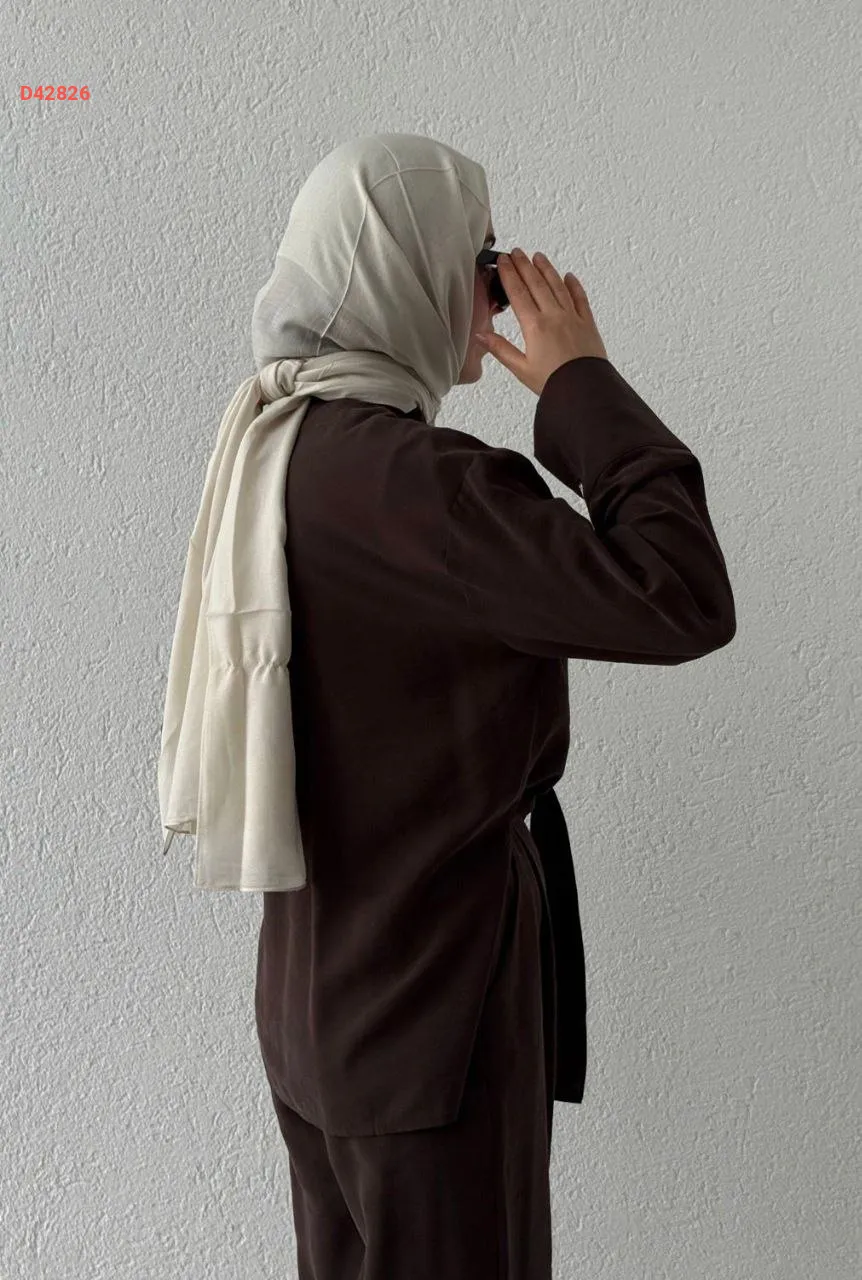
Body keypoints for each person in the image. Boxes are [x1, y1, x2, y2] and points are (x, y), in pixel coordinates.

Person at [163, 132, 736, 1279]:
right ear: (401, 269)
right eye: (480, 262)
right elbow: (681, 595)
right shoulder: (421, 489)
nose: (496, 293)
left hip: (317, 1006)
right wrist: (579, 381)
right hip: (432, 1018)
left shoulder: (274, 450)